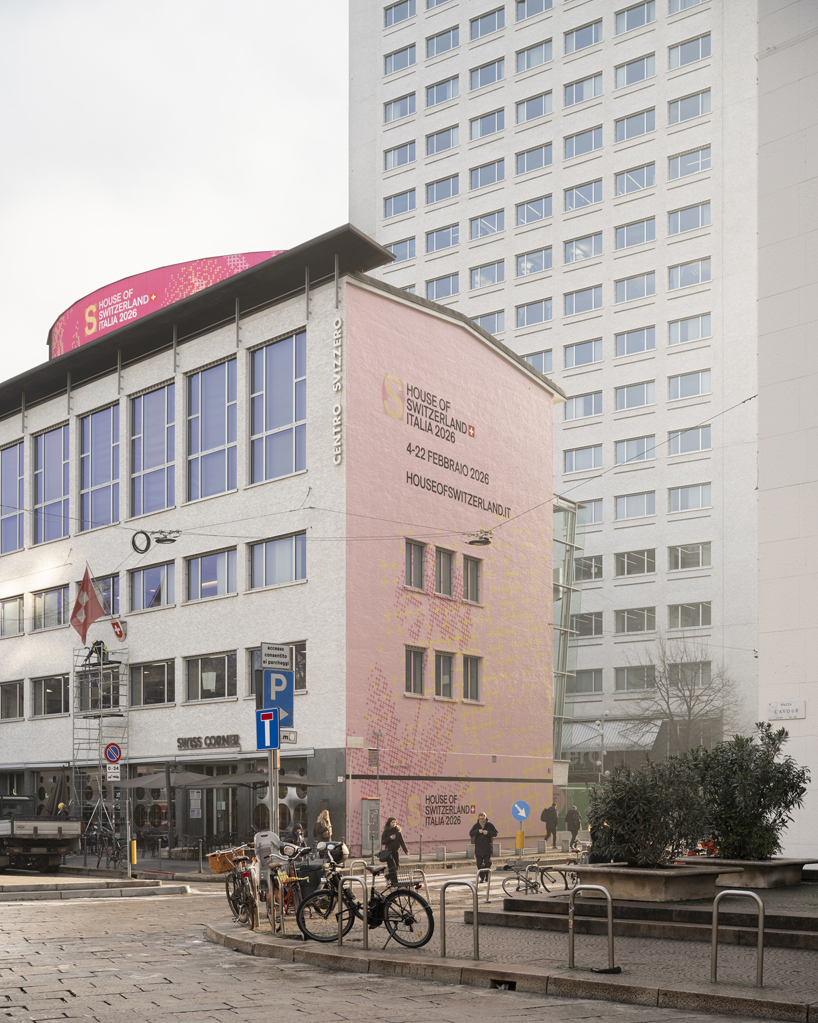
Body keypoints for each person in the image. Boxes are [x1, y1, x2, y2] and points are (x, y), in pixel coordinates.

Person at [380, 816, 408, 885]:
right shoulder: (386, 831)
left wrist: (406, 850)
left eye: (394, 822)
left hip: (396, 851)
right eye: (392, 822)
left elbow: (402, 842)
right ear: (389, 823)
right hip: (389, 852)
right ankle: (394, 882)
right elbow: (383, 842)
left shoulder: (398, 832)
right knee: (391, 867)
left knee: (396, 866)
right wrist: (390, 838)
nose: (393, 823)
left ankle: (388, 876)